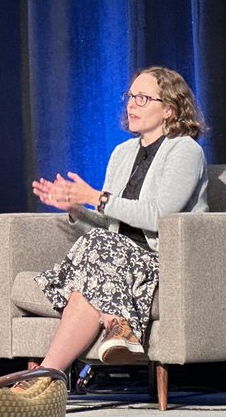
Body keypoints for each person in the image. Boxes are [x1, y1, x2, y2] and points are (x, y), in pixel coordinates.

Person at [27, 65, 208, 376]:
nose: (132, 105)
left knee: (91, 263)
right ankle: (53, 372)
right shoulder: (122, 153)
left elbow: (159, 216)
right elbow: (110, 227)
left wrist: (95, 196)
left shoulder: (185, 150)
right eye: (130, 97)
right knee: (94, 256)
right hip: (116, 258)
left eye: (143, 98)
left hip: (162, 259)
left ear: (168, 109)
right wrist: (76, 210)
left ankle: (49, 373)